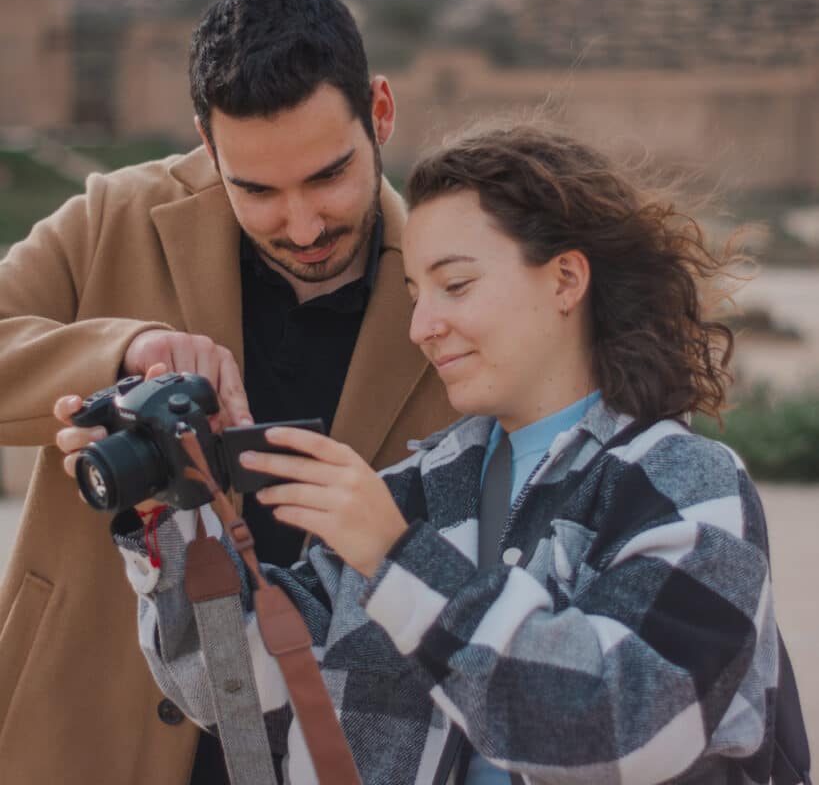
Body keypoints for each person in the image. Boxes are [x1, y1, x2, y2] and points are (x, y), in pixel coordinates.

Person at [57, 123, 779, 784]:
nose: (422, 327)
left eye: (455, 285)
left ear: (565, 280)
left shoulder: (682, 482)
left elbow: (624, 724)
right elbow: (241, 693)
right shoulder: (414, 492)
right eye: (413, 294)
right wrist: (172, 515)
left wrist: (399, 560)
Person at [0, 0, 455, 785]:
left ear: (379, 113)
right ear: (208, 147)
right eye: (258, 190)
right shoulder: (114, 214)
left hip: (336, 747)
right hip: (87, 725)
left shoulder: (456, 284)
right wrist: (122, 349)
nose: (304, 225)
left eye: (328, 176)